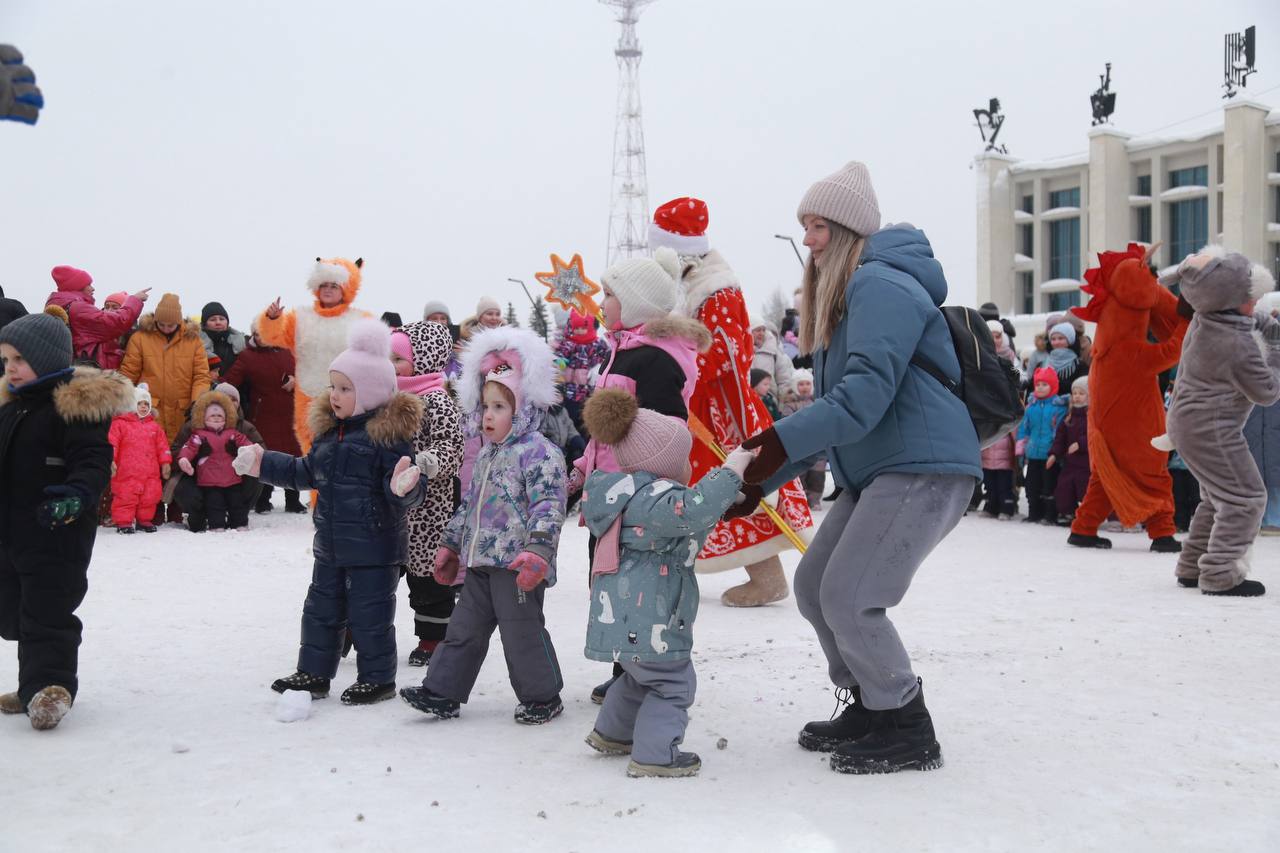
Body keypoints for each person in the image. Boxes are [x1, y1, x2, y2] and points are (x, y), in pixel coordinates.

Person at [739, 161, 980, 774]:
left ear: (848, 231)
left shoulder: (881, 285)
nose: (808, 239)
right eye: (804, 226)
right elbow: (840, 414)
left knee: (851, 594)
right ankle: (870, 706)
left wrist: (768, 448)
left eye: (818, 226)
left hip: (923, 466)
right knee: (817, 589)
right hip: (879, 468)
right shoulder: (850, 296)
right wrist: (759, 478)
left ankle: (905, 725)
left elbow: (861, 398)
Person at [242, 319, 428, 704]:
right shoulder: (330, 436)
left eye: (346, 388)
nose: (336, 395)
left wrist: (404, 487)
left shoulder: (388, 439)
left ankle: (377, 678)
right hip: (330, 546)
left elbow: (405, 489)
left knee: (370, 618)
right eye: (334, 386)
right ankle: (313, 673)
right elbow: (304, 472)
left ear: (372, 392)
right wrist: (263, 463)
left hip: (374, 550)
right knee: (320, 612)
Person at [580, 390, 754, 777]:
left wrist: (728, 499)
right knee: (673, 685)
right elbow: (693, 509)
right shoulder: (655, 496)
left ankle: (612, 733)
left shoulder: (626, 495)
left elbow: (688, 520)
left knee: (640, 678)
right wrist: (731, 471)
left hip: (625, 621)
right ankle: (656, 756)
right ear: (662, 463)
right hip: (653, 616)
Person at [649, 196, 812, 606]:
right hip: (694, 404)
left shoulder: (715, 289)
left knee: (735, 488)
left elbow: (724, 354)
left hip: (719, 412)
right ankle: (669, 570)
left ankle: (767, 577)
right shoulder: (687, 285)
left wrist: (674, 358)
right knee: (689, 489)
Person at [400, 327, 567, 723]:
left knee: (521, 632)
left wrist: (538, 553)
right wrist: (451, 545)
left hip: (518, 567)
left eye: (500, 407)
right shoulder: (489, 455)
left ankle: (543, 696)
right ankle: (441, 691)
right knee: (463, 630)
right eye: (486, 406)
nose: (488, 415)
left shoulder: (539, 453)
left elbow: (549, 506)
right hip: (478, 564)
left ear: (523, 409)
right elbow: (470, 505)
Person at [0, 313, 133, 730]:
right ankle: (30, 686)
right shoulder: (11, 408)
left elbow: (93, 461)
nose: (10, 368)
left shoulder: (75, 408)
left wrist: (76, 496)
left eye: (19, 359)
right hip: (11, 532)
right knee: (16, 610)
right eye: (4, 360)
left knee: (47, 610)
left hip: (57, 532)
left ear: (46, 358)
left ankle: (51, 687)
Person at [1164, 248, 1279, 596]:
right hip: (1211, 428)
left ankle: (1192, 565)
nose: (1255, 303)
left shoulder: (1206, 317)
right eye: (1251, 298)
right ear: (1233, 299)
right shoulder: (1236, 344)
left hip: (1189, 423)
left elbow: (1246, 319)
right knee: (1246, 497)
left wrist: (1268, 325)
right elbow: (1267, 391)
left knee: (1218, 497)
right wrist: (1275, 348)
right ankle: (1220, 573)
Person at [1067, 243, 1187, 552]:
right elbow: (1170, 352)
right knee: (1152, 468)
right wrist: (1186, 322)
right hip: (1133, 418)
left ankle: (1084, 527)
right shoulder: (1126, 346)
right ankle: (1162, 532)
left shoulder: (1109, 341)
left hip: (1111, 416)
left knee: (1110, 472)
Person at [389, 321, 464, 667]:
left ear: (422, 358)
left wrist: (431, 461)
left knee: (426, 576)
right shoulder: (386, 397)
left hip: (429, 508)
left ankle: (434, 636)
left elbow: (453, 445)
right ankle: (358, 629)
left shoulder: (436, 399)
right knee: (381, 570)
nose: (390, 365)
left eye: (398, 358)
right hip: (392, 504)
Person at [256, 256, 372, 457]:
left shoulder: (361, 320)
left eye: (334, 285)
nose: (327, 289)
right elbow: (273, 337)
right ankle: (317, 490)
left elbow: (374, 357)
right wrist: (272, 319)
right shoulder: (300, 317)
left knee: (347, 454)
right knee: (314, 456)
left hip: (349, 397)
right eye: (324, 284)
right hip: (309, 395)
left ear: (346, 288)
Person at [119, 293, 210, 524]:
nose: (167, 328)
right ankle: (154, 507)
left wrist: (197, 402)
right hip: (150, 411)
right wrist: (128, 402)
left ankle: (179, 506)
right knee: (151, 461)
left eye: (171, 324)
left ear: (179, 321)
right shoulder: (140, 339)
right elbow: (129, 373)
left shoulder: (193, 340)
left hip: (182, 411)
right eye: (162, 324)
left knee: (181, 458)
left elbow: (201, 375)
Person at [221, 322, 304, 513]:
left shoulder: (288, 351)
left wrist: (296, 380)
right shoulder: (247, 356)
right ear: (253, 335)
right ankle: (263, 498)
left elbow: (305, 373)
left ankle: (293, 499)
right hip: (264, 414)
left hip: (290, 412)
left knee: (294, 455)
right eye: (258, 334)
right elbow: (231, 381)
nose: (263, 337)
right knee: (266, 454)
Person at [174, 389, 256, 532]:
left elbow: (247, 443)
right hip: (209, 480)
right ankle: (216, 525)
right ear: (204, 418)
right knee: (214, 504)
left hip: (232, 478)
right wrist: (184, 460)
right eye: (212, 416)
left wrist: (248, 452)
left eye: (219, 415)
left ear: (226, 417)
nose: (216, 418)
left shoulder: (232, 433)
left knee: (237, 503)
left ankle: (240, 523)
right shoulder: (199, 435)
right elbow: (189, 448)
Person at [44, 265, 148, 369]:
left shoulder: (59, 305)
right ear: (78, 286)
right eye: (88, 284)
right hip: (89, 373)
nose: (92, 288)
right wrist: (135, 299)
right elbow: (117, 322)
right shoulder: (78, 308)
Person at [108, 383, 171, 534]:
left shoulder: (155, 427)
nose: (143, 407)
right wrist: (111, 460)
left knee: (150, 497)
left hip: (150, 472)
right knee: (125, 496)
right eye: (139, 403)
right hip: (126, 471)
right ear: (131, 404)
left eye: (146, 404)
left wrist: (166, 463)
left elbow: (163, 446)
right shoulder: (119, 424)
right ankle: (124, 522)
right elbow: (112, 443)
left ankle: (144, 520)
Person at [1017, 367, 1067, 524]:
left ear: (1053, 386)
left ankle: (1050, 514)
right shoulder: (1031, 407)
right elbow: (1024, 428)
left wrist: (1056, 451)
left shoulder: (1059, 408)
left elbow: (1060, 431)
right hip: (1033, 452)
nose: (1040, 388)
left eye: (1045, 385)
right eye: (1038, 384)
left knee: (1049, 485)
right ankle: (1034, 512)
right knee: (1031, 485)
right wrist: (1021, 448)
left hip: (1049, 454)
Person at [554, 308, 611, 431]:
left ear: (591, 327)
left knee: (589, 419)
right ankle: (573, 436)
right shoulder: (569, 343)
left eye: (583, 327)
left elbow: (608, 356)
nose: (579, 331)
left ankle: (586, 438)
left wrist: (600, 367)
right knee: (572, 415)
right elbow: (561, 355)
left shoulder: (598, 344)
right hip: (571, 389)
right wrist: (560, 362)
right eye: (576, 328)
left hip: (590, 389)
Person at [1047, 377, 1090, 523]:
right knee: (1064, 488)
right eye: (1075, 393)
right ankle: (1067, 513)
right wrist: (1054, 454)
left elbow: (1095, 435)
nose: (1077, 396)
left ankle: (1088, 515)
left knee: (1085, 489)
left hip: (1086, 463)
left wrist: (1080, 444)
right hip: (1070, 463)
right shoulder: (1068, 417)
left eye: (1081, 393)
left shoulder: (1092, 416)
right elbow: (1060, 438)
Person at [780, 368, 825, 509]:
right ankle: (802, 497)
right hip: (798, 445)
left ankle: (815, 498)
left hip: (816, 445)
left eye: (807, 384)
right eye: (801, 384)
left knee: (817, 473)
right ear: (794, 386)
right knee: (800, 473)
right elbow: (787, 422)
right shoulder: (789, 404)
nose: (805, 387)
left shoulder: (818, 402)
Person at [198, 302, 247, 377]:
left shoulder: (242, 342)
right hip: (207, 387)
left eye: (222, 319)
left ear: (227, 322)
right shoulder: (195, 344)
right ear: (204, 324)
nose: (218, 322)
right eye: (212, 320)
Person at [749, 316, 795, 392]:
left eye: (763, 330)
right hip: (748, 399)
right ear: (749, 331)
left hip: (770, 400)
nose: (761, 333)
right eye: (758, 330)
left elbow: (784, 381)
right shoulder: (741, 353)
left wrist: (783, 401)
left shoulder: (773, 352)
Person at [980, 430, 1017, 519]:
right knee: (990, 487)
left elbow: (1015, 440)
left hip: (1005, 463)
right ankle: (990, 508)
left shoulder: (1009, 428)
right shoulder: (989, 426)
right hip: (987, 462)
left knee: (1004, 488)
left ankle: (1006, 509)